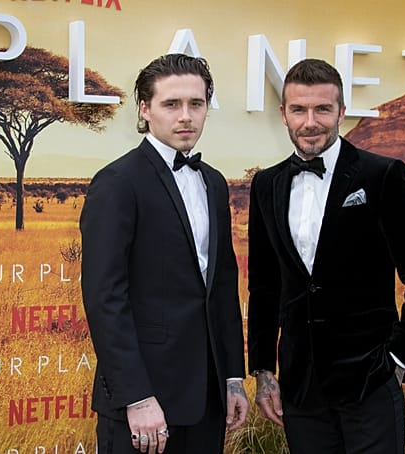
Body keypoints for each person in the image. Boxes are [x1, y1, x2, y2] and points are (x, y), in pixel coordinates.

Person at [247, 58, 405, 453]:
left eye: (322, 109)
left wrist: (397, 359)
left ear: (341, 111)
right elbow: (265, 286)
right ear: (284, 114)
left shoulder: (382, 175)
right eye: (299, 110)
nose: (310, 122)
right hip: (301, 387)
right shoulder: (266, 184)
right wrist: (265, 370)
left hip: (368, 380)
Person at [81, 53, 248, 454]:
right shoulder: (117, 182)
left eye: (196, 103)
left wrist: (232, 378)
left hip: (208, 397)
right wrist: (136, 396)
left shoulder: (213, 183)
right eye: (171, 104)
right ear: (145, 108)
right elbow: (105, 298)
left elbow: (222, 284)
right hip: (144, 402)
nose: (185, 116)